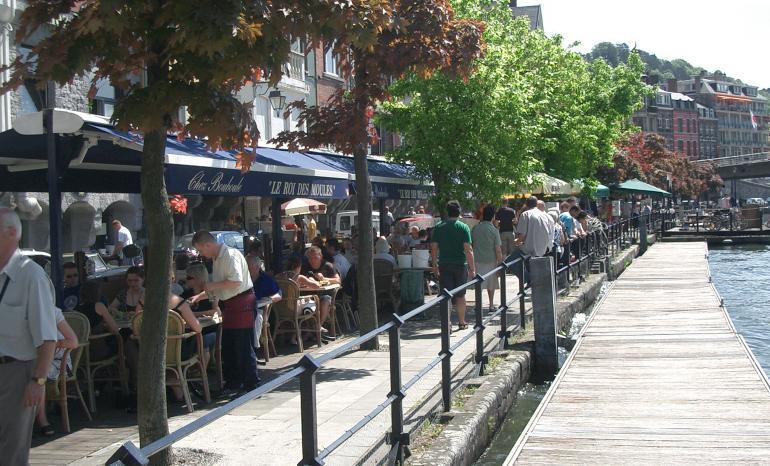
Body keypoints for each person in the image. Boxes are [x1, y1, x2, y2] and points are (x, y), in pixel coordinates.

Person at [0, 208, 58, 464]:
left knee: (11, 450)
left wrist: (38, 381)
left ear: (11, 233)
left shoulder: (31, 276)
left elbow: (48, 337)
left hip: (17, 371)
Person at [190, 230, 257, 393]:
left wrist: (212, 286)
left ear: (208, 244)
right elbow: (220, 286)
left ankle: (251, 383)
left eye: (200, 250)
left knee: (242, 345)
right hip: (231, 303)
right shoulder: (216, 259)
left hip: (242, 303)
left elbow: (235, 281)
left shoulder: (230, 255)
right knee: (229, 346)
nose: (201, 254)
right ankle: (233, 383)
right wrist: (200, 296)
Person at [431, 200, 475, 330]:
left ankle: (447, 323)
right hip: (460, 264)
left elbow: (433, 247)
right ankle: (462, 322)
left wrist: (434, 264)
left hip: (444, 264)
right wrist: (472, 269)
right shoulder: (463, 227)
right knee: (460, 295)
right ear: (459, 212)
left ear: (447, 212)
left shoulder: (439, 227)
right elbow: (468, 249)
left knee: (446, 295)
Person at [36, 307, 78, 436]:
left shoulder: (52, 312)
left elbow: (73, 342)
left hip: (58, 362)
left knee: (38, 376)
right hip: (30, 359)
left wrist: (54, 344)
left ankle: (42, 420)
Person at [246, 255, 281, 352]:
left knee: (256, 317)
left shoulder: (266, 279)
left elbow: (279, 295)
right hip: (244, 309)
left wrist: (269, 300)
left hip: (261, 311)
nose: (246, 268)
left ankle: (252, 349)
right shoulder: (243, 280)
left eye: (249, 266)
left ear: (257, 267)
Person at [472, 205, 502, 310]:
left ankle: (478, 304)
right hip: (491, 260)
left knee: (478, 284)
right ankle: (491, 304)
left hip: (477, 259)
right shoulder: (494, 230)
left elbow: (472, 245)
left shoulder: (475, 228)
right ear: (493, 216)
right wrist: (500, 263)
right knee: (491, 284)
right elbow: (498, 249)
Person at [301, 246, 340, 327]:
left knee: (325, 300)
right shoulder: (305, 267)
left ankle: (318, 327)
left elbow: (338, 280)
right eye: (310, 258)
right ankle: (308, 330)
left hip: (325, 294)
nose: (313, 260)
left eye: (315, 257)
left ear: (320, 256)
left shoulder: (328, 266)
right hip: (309, 296)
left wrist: (324, 278)